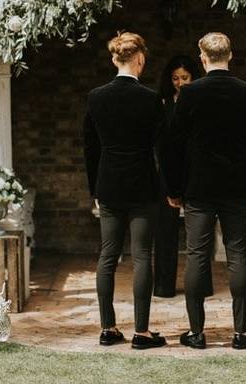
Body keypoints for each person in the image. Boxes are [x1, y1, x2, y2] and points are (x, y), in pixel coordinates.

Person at [165, 32, 246, 350]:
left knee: (196, 256)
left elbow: (175, 146)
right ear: (230, 56)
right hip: (236, 186)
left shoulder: (189, 93)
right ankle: (240, 333)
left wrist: (173, 187)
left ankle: (196, 333)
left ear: (203, 58)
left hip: (198, 188)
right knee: (238, 255)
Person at [83, 32, 167, 350]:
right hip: (143, 183)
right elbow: (164, 146)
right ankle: (142, 333)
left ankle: (108, 328)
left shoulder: (95, 97)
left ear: (114, 59)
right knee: (142, 255)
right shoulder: (151, 99)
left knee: (108, 255)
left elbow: (90, 149)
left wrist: (95, 187)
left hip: (108, 184)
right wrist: (171, 185)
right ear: (140, 58)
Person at [153, 55, 210, 298]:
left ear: (194, 77)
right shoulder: (163, 102)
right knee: (165, 230)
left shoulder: (202, 100)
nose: (180, 82)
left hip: (196, 169)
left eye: (185, 78)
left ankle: (201, 286)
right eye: (175, 78)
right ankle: (164, 286)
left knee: (200, 231)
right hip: (167, 169)